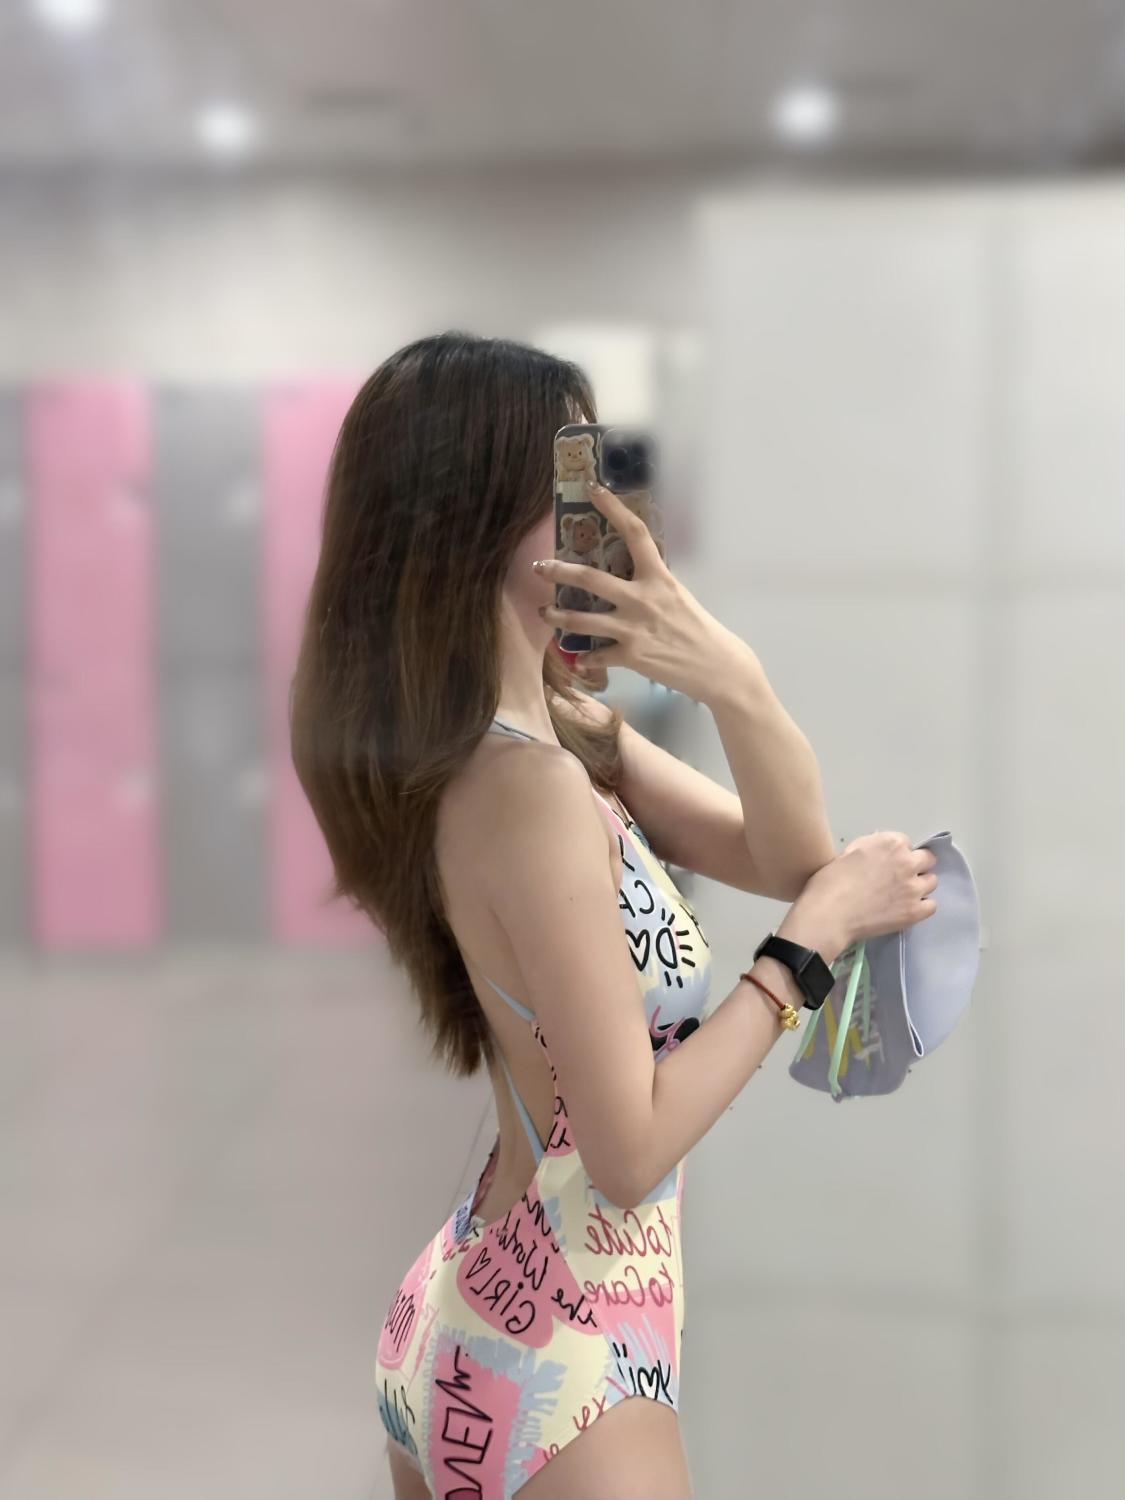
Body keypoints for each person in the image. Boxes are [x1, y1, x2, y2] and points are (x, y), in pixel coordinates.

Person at [289, 332, 939, 1500]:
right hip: (566, 1365)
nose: (603, 511)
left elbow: (790, 853)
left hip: (475, 1307)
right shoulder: (529, 789)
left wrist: (728, 677)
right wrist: (805, 953)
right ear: (485, 514)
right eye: (572, 479)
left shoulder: (551, 734)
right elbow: (629, 1151)